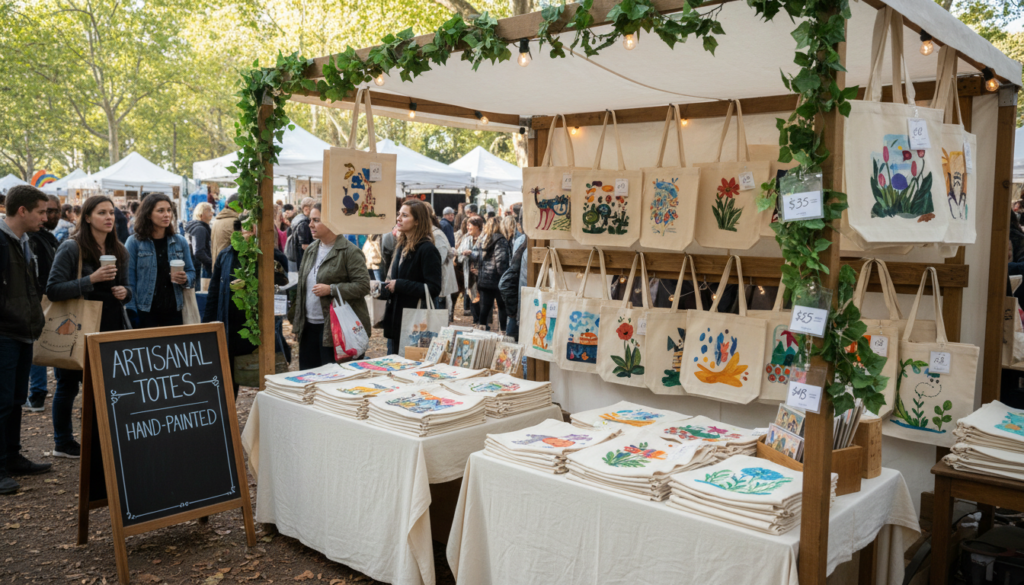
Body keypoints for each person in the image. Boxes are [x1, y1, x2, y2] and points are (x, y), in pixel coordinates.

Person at [47, 195, 131, 459]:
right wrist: (90, 279)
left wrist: (124, 292)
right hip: (78, 325)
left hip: (110, 325)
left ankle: (101, 440)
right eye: (101, 212)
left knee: (106, 386)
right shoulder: (72, 248)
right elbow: (53, 290)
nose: (108, 217)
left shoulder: (119, 249)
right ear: (86, 217)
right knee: (68, 384)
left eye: (111, 212)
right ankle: (63, 442)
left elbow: (129, 289)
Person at [0, 186, 52, 494]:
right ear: (22, 211)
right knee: (3, 401)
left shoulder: (24, 241)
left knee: (17, 398)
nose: (45, 218)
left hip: (23, 330)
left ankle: (13, 456)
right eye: (41, 212)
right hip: (6, 332)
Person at [204, 215, 290, 394]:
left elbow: (282, 275)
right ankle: (230, 417)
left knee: (267, 378)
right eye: (245, 228)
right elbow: (214, 293)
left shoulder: (268, 253)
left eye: (253, 229)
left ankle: (265, 416)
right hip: (231, 327)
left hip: (259, 327)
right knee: (228, 379)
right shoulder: (226, 255)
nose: (248, 233)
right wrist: (208, 326)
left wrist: (263, 249)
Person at [290, 204, 371, 369]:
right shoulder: (311, 249)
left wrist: (332, 289)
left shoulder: (349, 251)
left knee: (333, 378)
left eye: (316, 220)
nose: (310, 225)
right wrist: (298, 325)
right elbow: (302, 290)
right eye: (310, 220)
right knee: (309, 377)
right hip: (309, 327)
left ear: (331, 223)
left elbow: (363, 286)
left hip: (336, 328)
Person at [380, 200, 442, 356]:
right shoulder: (402, 245)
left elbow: (434, 288)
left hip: (415, 322)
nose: (398, 219)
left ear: (417, 221)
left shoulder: (427, 249)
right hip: (397, 319)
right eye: (399, 214)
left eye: (405, 215)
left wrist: (399, 285)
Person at [126, 193, 196, 328]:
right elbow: (129, 281)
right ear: (148, 214)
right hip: (145, 312)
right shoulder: (134, 242)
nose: (167, 215)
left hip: (174, 311)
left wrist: (185, 278)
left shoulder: (179, 241)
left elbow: (192, 273)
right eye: (160, 211)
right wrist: (131, 312)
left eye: (169, 210)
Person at [23, 195, 61, 412]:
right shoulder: (31, 239)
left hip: (51, 298)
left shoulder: (48, 237)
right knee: (38, 344)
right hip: (39, 300)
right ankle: (37, 393)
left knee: (52, 342)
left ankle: (38, 392)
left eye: (55, 211)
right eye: (46, 211)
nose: (51, 216)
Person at [467, 217, 510, 332]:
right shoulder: (501, 240)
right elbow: (501, 263)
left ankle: (481, 331)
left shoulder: (484, 240)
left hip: (484, 280)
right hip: (497, 280)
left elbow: (478, 258)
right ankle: (503, 332)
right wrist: (505, 279)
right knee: (502, 307)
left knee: (485, 308)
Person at [500, 213, 527, 339]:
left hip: (519, 295)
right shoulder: (521, 241)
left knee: (513, 338)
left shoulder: (520, 240)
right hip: (521, 296)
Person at [429, 208, 458, 311]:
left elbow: (442, 254)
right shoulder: (446, 225)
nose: (451, 216)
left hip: (438, 280)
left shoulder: (440, 229)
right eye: (448, 214)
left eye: (452, 214)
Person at [185, 202, 214, 283]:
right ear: (201, 213)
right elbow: (198, 252)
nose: (212, 212)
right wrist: (212, 262)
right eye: (209, 210)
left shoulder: (198, 227)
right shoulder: (200, 229)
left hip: (195, 267)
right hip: (199, 269)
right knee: (201, 293)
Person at [210, 194, 239, 260]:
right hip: (228, 266)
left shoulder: (218, 219)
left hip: (218, 264)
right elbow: (240, 245)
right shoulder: (235, 221)